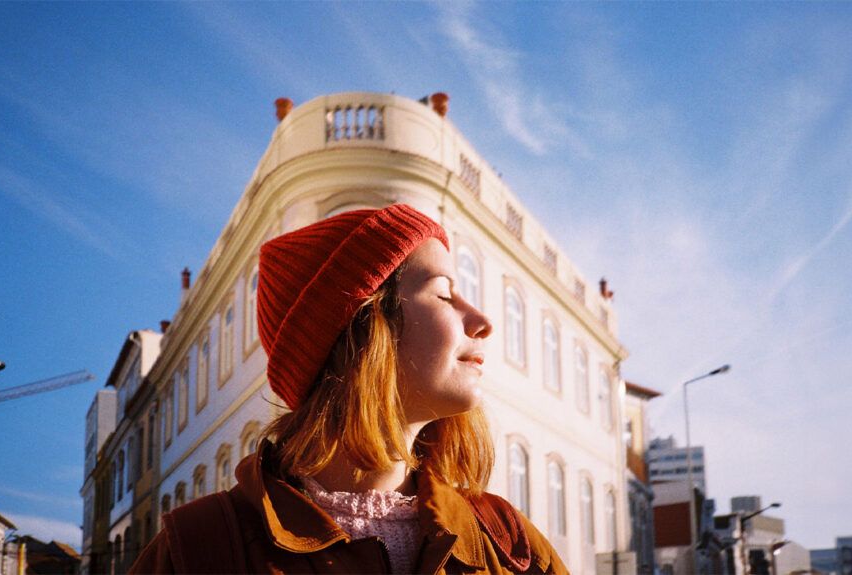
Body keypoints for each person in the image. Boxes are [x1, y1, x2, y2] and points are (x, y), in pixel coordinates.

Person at [130, 203, 569, 574]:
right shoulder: (195, 550)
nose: (482, 321)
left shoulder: (510, 545)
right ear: (363, 331)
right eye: (442, 294)